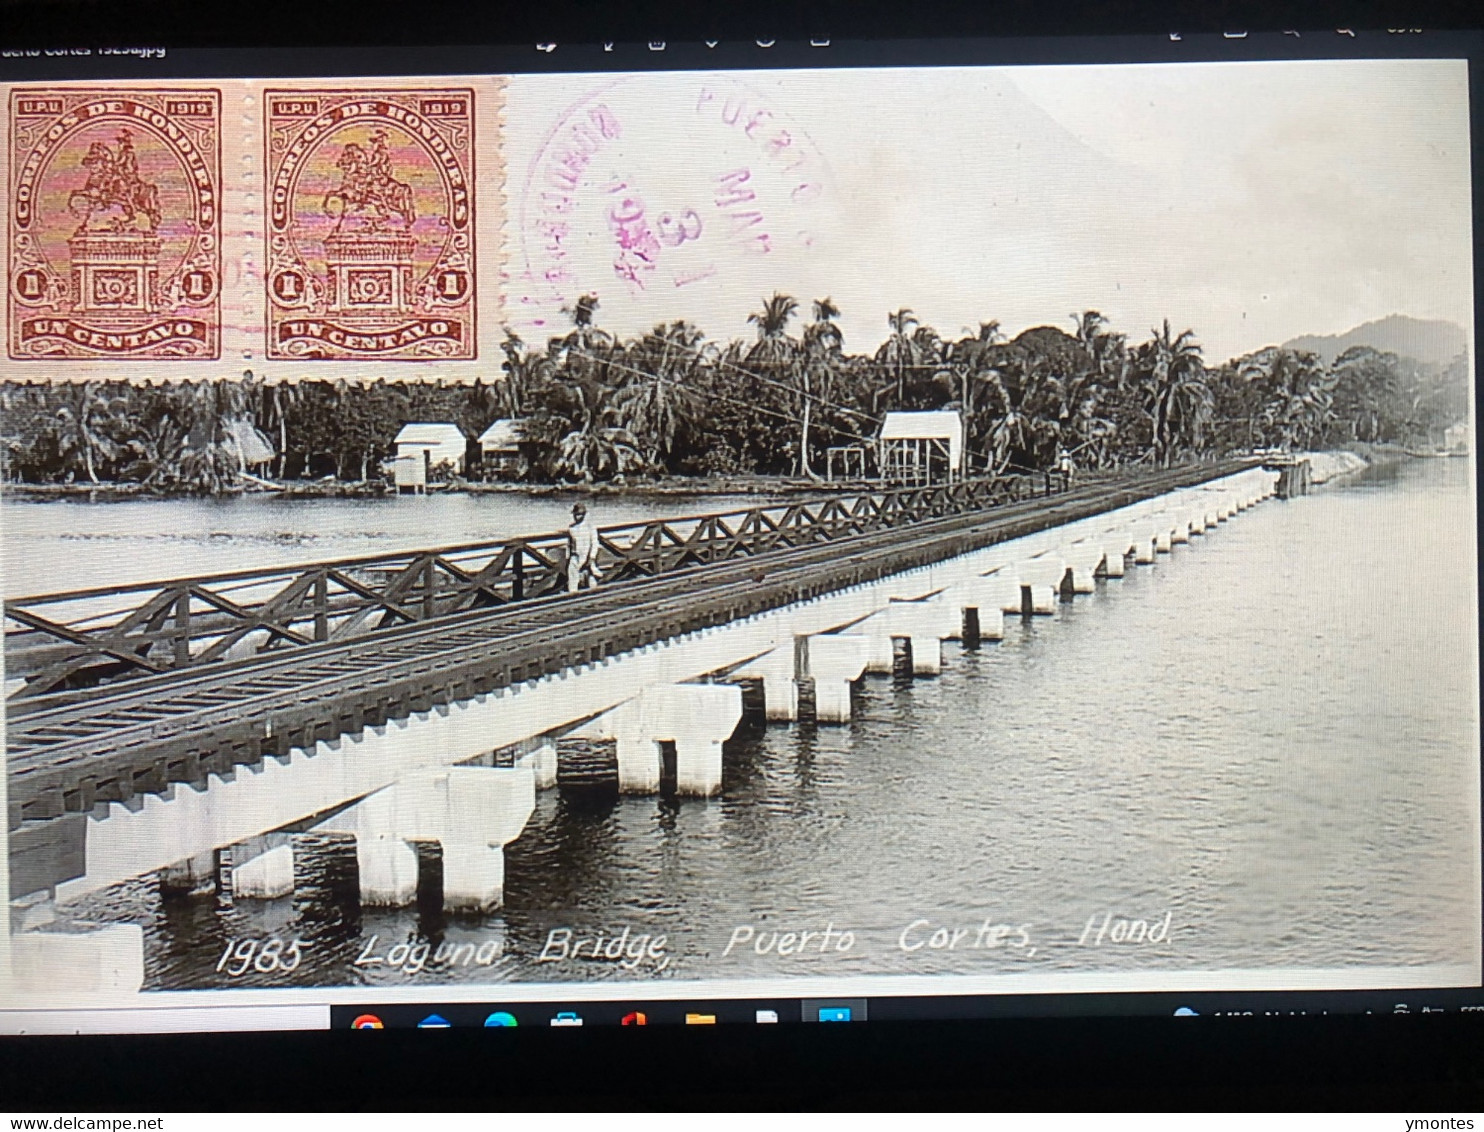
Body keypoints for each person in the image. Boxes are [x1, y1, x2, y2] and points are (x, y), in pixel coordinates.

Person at [566, 502, 599, 592]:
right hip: (575, 555)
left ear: (584, 515)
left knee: (590, 575)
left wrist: (592, 557)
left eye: (579, 515)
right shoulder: (571, 528)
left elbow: (594, 542)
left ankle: (594, 593)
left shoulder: (590, 527)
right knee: (572, 575)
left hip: (586, 555)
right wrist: (568, 556)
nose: (577, 517)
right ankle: (572, 594)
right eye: (575, 515)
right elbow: (569, 543)